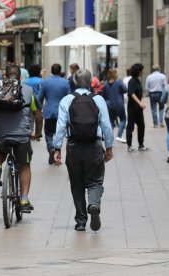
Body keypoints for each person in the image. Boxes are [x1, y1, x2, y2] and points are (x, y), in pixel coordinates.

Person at [53, 68, 113, 232]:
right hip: (94, 146)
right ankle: (93, 204)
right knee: (95, 181)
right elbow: (107, 125)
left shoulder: (67, 100)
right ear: (90, 82)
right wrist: (109, 147)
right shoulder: (98, 99)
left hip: (74, 146)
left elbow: (60, 126)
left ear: (73, 82)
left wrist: (57, 148)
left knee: (77, 184)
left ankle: (80, 221)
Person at [0, 65, 43, 212]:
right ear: (20, 77)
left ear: (5, 76)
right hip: (21, 136)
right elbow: (38, 115)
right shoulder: (28, 91)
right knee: (24, 165)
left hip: (0, 134)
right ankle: (24, 199)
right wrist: (37, 133)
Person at [40, 63, 71, 165]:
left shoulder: (45, 82)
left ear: (51, 71)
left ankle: (50, 147)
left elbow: (40, 97)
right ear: (60, 70)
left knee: (48, 133)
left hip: (49, 112)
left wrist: (39, 108)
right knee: (59, 134)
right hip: (61, 113)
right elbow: (69, 98)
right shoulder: (65, 82)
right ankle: (57, 154)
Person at [126, 63, 148, 152]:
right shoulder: (132, 81)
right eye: (141, 70)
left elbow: (137, 92)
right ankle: (129, 146)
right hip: (132, 107)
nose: (142, 72)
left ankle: (141, 144)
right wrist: (140, 103)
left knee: (141, 126)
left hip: (138, 108)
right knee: (130, 126)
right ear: (138, 71)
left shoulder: (138, 81)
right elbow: (131, 93)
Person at [102, 68, 127, 143]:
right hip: (118, 103)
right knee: (123, 119)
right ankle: (119, 136)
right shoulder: (119, 82)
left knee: (111, 121)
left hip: (108, 104)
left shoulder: (105, 83)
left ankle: (109, 137)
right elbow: (125, 90)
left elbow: (104, 95)